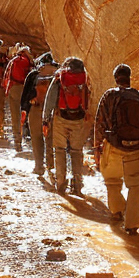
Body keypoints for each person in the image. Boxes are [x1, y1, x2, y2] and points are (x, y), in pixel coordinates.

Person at [93, 64, 139, 234]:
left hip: (113, 146)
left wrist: (97, 146)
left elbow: (100, 121)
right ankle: (132, 225)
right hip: (136, 148)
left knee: (112, 180)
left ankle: (117, 212)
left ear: (115, 78)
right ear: (129, 77)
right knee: (135, 186)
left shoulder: (109, 95)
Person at [42, 56, 91, 194]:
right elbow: (88, 96)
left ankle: (61, 182)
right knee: (76, 152)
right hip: (78, 118)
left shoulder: (60, 77)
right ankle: (77, 185)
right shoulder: (84, 77)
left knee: (60, 150)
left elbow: (50, 98)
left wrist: (45, 119)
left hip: (61, 117)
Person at [21, 52, 58, 177]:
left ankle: (38, 166)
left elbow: (25, 95)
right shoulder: (58, 74)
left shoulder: (33, 75)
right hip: (54, 111)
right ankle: (51, 167)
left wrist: (24, 111)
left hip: (35, 109)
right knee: (50, 140)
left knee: (36, 138)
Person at [3, 44, 34, 148]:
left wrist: (6, 90)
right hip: (25, 89)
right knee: (26, 112)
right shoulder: (28, 61)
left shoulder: (13, 60)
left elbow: (7, 75)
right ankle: (27, 135)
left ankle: (17, 139)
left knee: (15, 114)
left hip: (13, 88)